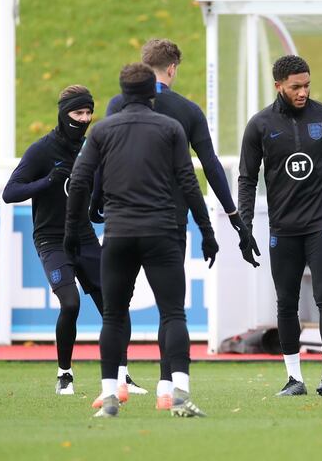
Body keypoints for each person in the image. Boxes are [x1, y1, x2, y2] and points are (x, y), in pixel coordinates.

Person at [101, 38, 250, 410]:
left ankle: (115, 383)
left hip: (121, 220)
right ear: (172, 68)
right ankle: (167, 388)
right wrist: (233, 219)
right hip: (169, 222)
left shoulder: (116, 106)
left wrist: (93, 207)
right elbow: (209, 166)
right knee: (172, 309)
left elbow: (102, 161)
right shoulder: (186, 110)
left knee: (116, 309)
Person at [66, 63, 219, 418]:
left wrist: (73, 231)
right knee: (173, 313)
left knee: (113, 316)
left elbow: (79, 181)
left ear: (121, 93)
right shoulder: (170, 128)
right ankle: (179, 392)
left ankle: (109, 397)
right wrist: (207, 231)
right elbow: (188, 182)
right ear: (152, 92)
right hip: (162, 232)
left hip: (119, 233)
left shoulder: (103, 130)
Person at [238, 55, 322, 397]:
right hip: (283, 227)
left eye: (307, 85)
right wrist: (244, 226)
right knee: (285, 302)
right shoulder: (260, 125)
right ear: (278, 85)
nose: (303, 92)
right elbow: (247, 179)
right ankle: (294, 379)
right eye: (295, 87)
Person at [2, 85, 137, 398]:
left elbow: (100, 186)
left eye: (89, 112)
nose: (85, 118)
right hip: (51, 240)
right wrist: (48, 181)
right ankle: (65, 373)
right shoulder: (41, 150)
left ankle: (122, 375)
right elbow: (10, 192)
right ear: (64, 114)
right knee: (71, 304)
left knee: (114, 305)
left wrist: (98, 207)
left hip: (85, 237)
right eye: (79, 113)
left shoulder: (92, 147)